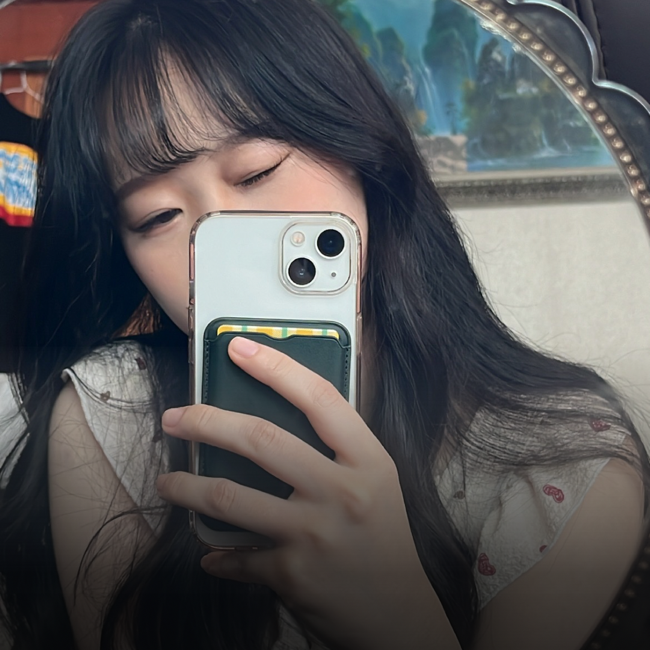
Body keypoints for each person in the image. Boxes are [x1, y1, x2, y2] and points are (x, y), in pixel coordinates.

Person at [0, 0, 648, 649]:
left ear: (358, 150)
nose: (218, 238)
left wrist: (397, 620)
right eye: (156, 217)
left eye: (257, 171)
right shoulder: (108, 415)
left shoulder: (566, 468)